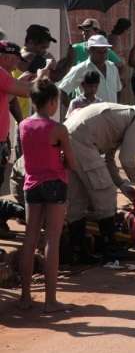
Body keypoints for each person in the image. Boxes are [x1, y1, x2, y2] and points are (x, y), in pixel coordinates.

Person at [64, 95, 135, 263]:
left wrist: (121, 184)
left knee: (77, 199)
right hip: (83, 142)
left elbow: (109, 159)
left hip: (70, 136)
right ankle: (109, 248)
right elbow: (127, 159)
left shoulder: (123, 116)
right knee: (105, 194)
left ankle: (78, 251)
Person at [19, 78, 77, 312]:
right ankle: (50, 300)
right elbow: (71, 161)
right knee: (52, 239)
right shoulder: (58, 129)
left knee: (30, 239)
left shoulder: (22, 125)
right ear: (52, 102)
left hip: (31, 184)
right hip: (55, 183)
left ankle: (25, 297)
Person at [0, 41, 42, 239]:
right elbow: (27, 91)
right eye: (16, 59)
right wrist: (43, 76)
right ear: (7, 57)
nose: (18, 63)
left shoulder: (5, 76)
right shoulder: (1, 73)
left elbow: (10, 97)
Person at [58, 35, 122, 105]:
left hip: (111, 114)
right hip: (90, 115)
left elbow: (118, 90)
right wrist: (74, 111)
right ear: (89, 51)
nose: (103, 55)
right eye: (100, 52)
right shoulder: (81, 69)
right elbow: (63, 90)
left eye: (105, 51)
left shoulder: (112, 67)